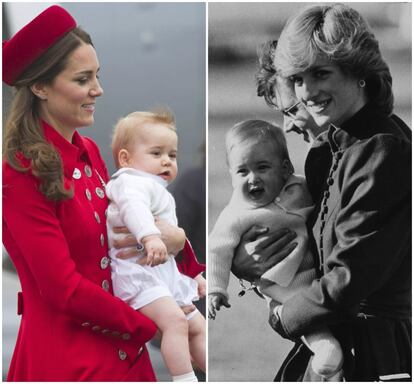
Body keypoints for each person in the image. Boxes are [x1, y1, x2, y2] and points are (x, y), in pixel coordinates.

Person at [2, 6, 201, 381]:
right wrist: (149, 326)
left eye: (97, 76)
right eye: (83, 79)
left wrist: (178, 241)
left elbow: (120, 235)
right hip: (67, 362)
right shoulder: (20, 173)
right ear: (40, 87)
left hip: (123, 357)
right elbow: (63, 289)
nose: (98, 90)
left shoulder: (90, 152)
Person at [232, 3, 411, 381]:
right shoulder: (328, 150)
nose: (308, 91)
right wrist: (250, 266)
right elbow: (308, 256)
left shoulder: (382, 149)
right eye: (297, 78)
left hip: (374, 354)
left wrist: (283, 317)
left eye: (321, 74)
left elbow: (350, 277)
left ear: (358, 72)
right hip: (334, 344)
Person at [208, 119, 343, 380]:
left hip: (317, 275)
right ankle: (323, 358)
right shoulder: (237, 213)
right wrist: (216, 288)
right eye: (242, 171)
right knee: (320, 338)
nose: (253, 178)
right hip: (283, 287)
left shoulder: (300, 187)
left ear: (285, 168)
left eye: (262, 168)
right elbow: (218, 249)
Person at [106, 110, 206, 382]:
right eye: (156, 153)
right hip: (137, 275)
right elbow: (134, 210)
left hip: (162, 274)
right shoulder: (129, 183)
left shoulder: (156, 188)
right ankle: (184, 377)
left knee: (197, 325)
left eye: (172, 155)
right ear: (126, 158)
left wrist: (193, 273)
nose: (166, 161)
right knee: (175, 322)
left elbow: (174, 240)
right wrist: (149, 237)